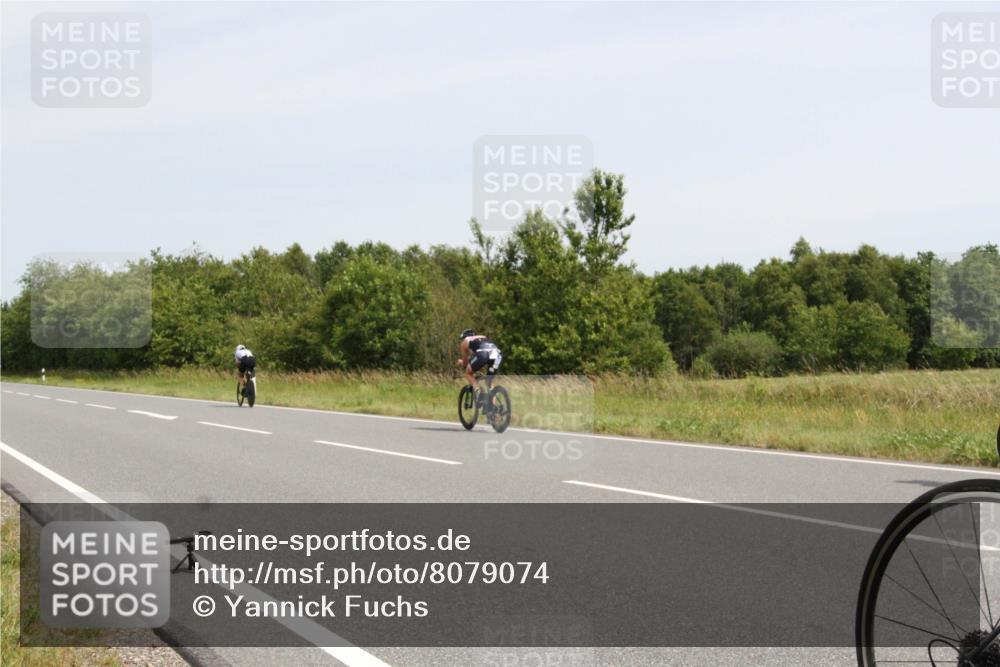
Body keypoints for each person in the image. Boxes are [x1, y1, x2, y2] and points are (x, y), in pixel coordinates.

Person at [456, 329, 502, 396]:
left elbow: (465, 364)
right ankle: (493, 405)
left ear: (463, 337)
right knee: (489, 382)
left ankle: (478, 393)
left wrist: (461, 362)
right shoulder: (483, 337)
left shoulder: (465, 342)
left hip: (483, 354)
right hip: (497, 355)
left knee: (468, 373)